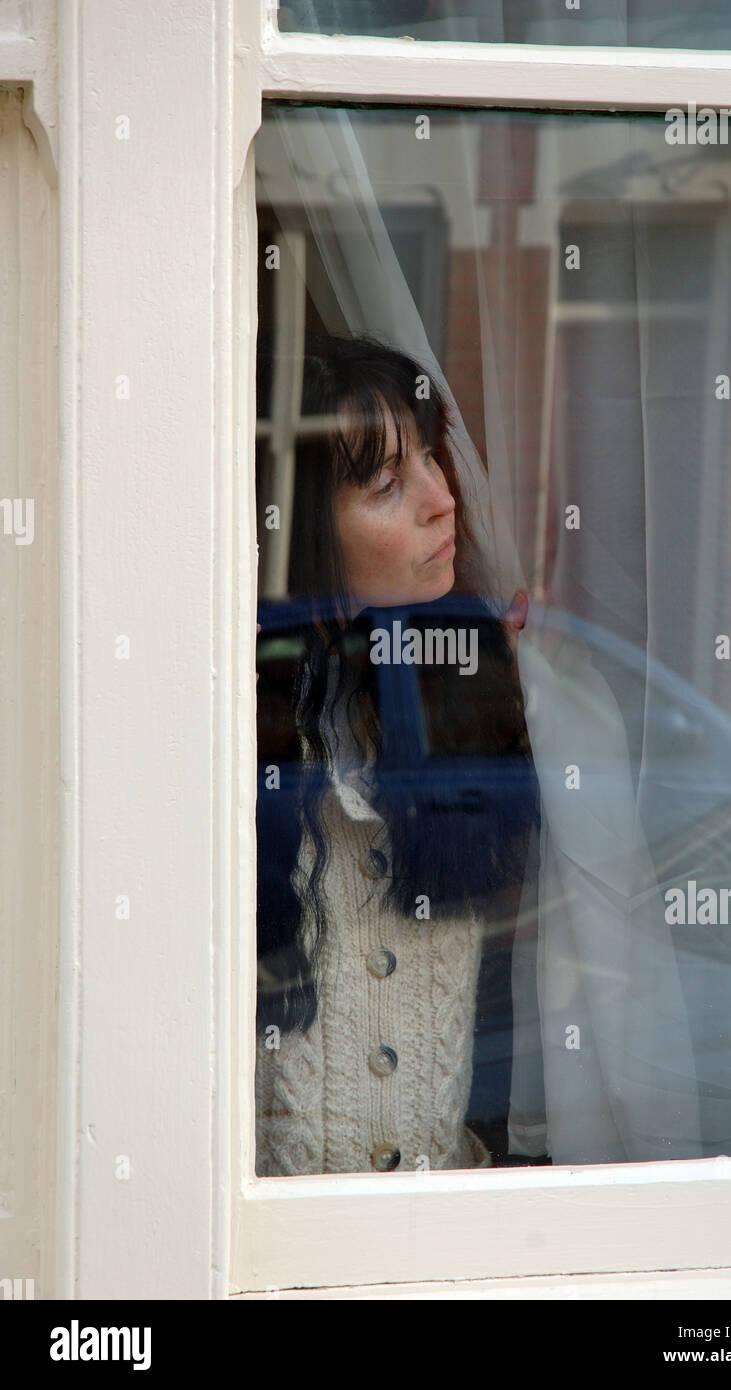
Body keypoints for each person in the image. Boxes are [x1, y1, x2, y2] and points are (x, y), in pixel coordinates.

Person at [254, 331, 539, 1175]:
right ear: (305, 533)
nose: (442, 499)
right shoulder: (233, 731)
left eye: (430, 460)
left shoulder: (465, 693)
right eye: (386, 483)